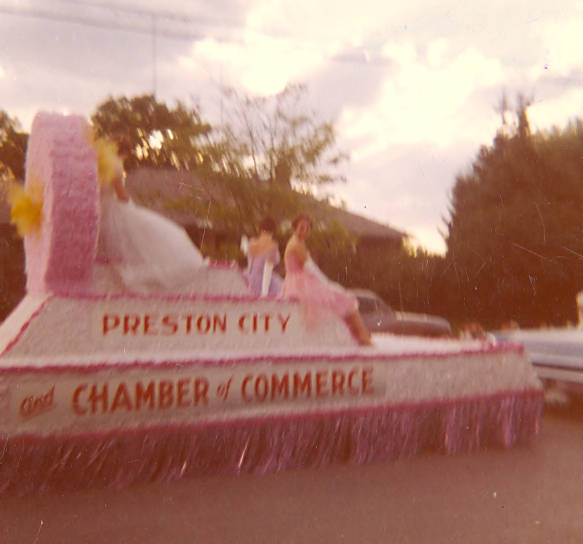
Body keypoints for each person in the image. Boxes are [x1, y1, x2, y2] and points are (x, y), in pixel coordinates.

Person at [93, 135, 205, 293]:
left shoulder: (100, 164)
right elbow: (121, 195)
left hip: (98, 208)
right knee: (140, 233)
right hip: (112, 208)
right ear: (125, 151)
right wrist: (130, 204)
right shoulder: (115, 166)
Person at [281, 213, 372, 345]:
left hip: (297, 281)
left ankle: (359, 335)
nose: (304, 231)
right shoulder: (296, 244)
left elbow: (309, 267)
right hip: (300, 283)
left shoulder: (298, 242)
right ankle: (363, 335)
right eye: (301, 227)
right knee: (344, 298)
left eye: (307, 228)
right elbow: (310, 267)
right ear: (295, 227)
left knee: (341, 297)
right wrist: (327, 283)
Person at [243, 216, 283, 297]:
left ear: (260, 228)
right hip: (262, 281)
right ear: (273, 230)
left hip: (246, 278)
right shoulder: (272, 245)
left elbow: (246, 253)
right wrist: (264, 294)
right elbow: (267, 269)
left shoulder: (252, 242)